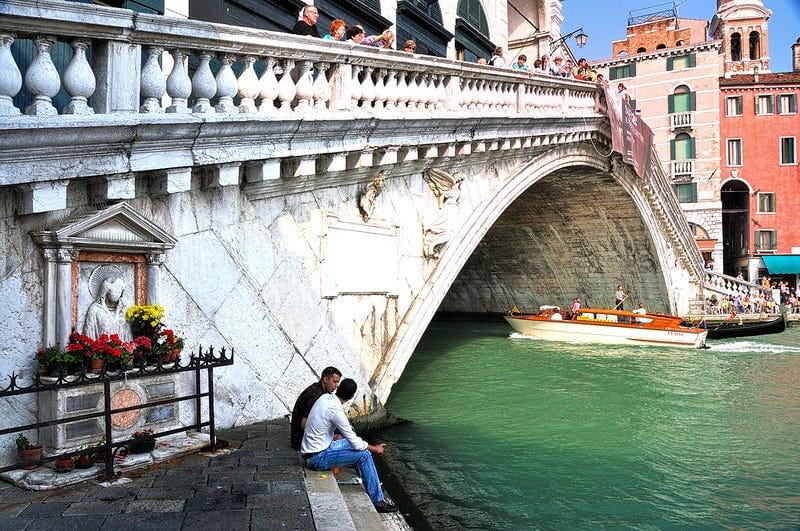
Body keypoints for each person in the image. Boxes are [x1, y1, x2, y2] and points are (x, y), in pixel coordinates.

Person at [301, 378, 399, 513]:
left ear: (338, 388)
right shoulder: (336, 410)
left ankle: (367, 477)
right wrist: (375, 448)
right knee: (364, 455)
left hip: (312, 450)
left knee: (354, 443)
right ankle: (377, 500)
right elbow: (354, 441)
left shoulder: (325, 398)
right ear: (352, 397)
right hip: (316, 458)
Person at [290, 366, 342, 450]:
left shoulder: (318, 389)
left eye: (337, 382)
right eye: (334, 382)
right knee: (343, 435)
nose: (336, 386)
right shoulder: (316, 396)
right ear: (325, 380)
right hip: (301, 440)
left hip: (303, 437)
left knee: (344, 429)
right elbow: (304, 425)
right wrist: (330, 436)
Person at [83, 275, 132, 340]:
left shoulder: (123, 309)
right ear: (105, 292)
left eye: (119, 291)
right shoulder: (95, 310)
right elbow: (89, 334)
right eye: (114, 291)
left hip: (122, 349)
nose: (118, 294)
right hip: (100, 348)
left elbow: (128, 335)